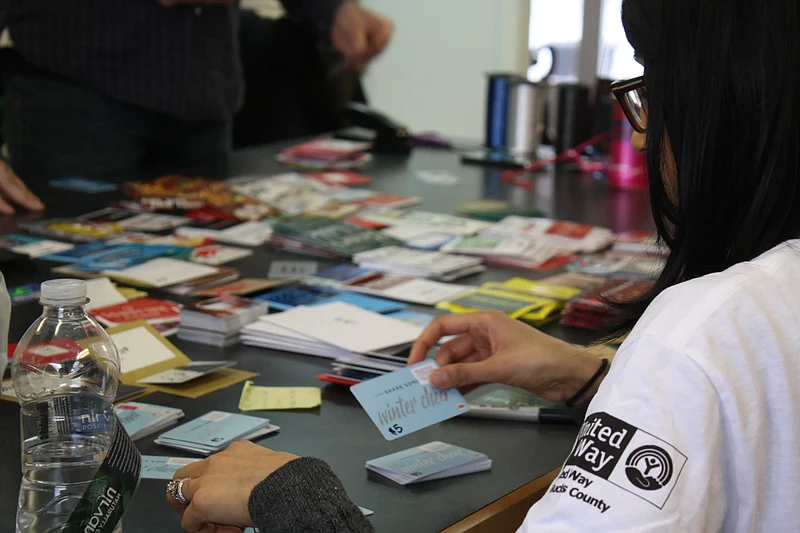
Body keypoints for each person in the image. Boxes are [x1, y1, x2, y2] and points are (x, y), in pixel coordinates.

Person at [166, 0, 800, 531]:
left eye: (652, 87)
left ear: (730, 98)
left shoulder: (706, 326)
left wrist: (288, 494)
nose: (639, 133)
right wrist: (588, 380)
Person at [0, 0, 392, 213]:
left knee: (207, 292)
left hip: (203, 94)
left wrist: (328, 7)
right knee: (74, 303)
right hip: (74, 98)